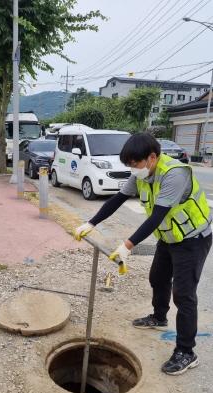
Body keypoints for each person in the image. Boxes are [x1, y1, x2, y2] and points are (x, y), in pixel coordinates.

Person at [74, 132, 212, 376]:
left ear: (151, 157)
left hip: (192, 239)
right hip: (168, 237)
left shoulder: (174, 174)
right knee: (157, 279)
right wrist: (91, 223)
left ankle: (187, 352)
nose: (132, 169)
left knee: (184, 295)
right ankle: (159, 317)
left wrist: (127, 246)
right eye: (128, 164)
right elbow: (117, 200)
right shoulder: (141, 174)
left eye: (134, 164)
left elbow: (157, 215)